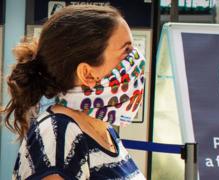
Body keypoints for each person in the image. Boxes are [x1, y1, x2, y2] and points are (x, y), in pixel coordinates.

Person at [1, 5, 146, 180]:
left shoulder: (102, 129)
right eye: (126, 51)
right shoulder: (58, 136)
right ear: (87, 74)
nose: (137, 59)